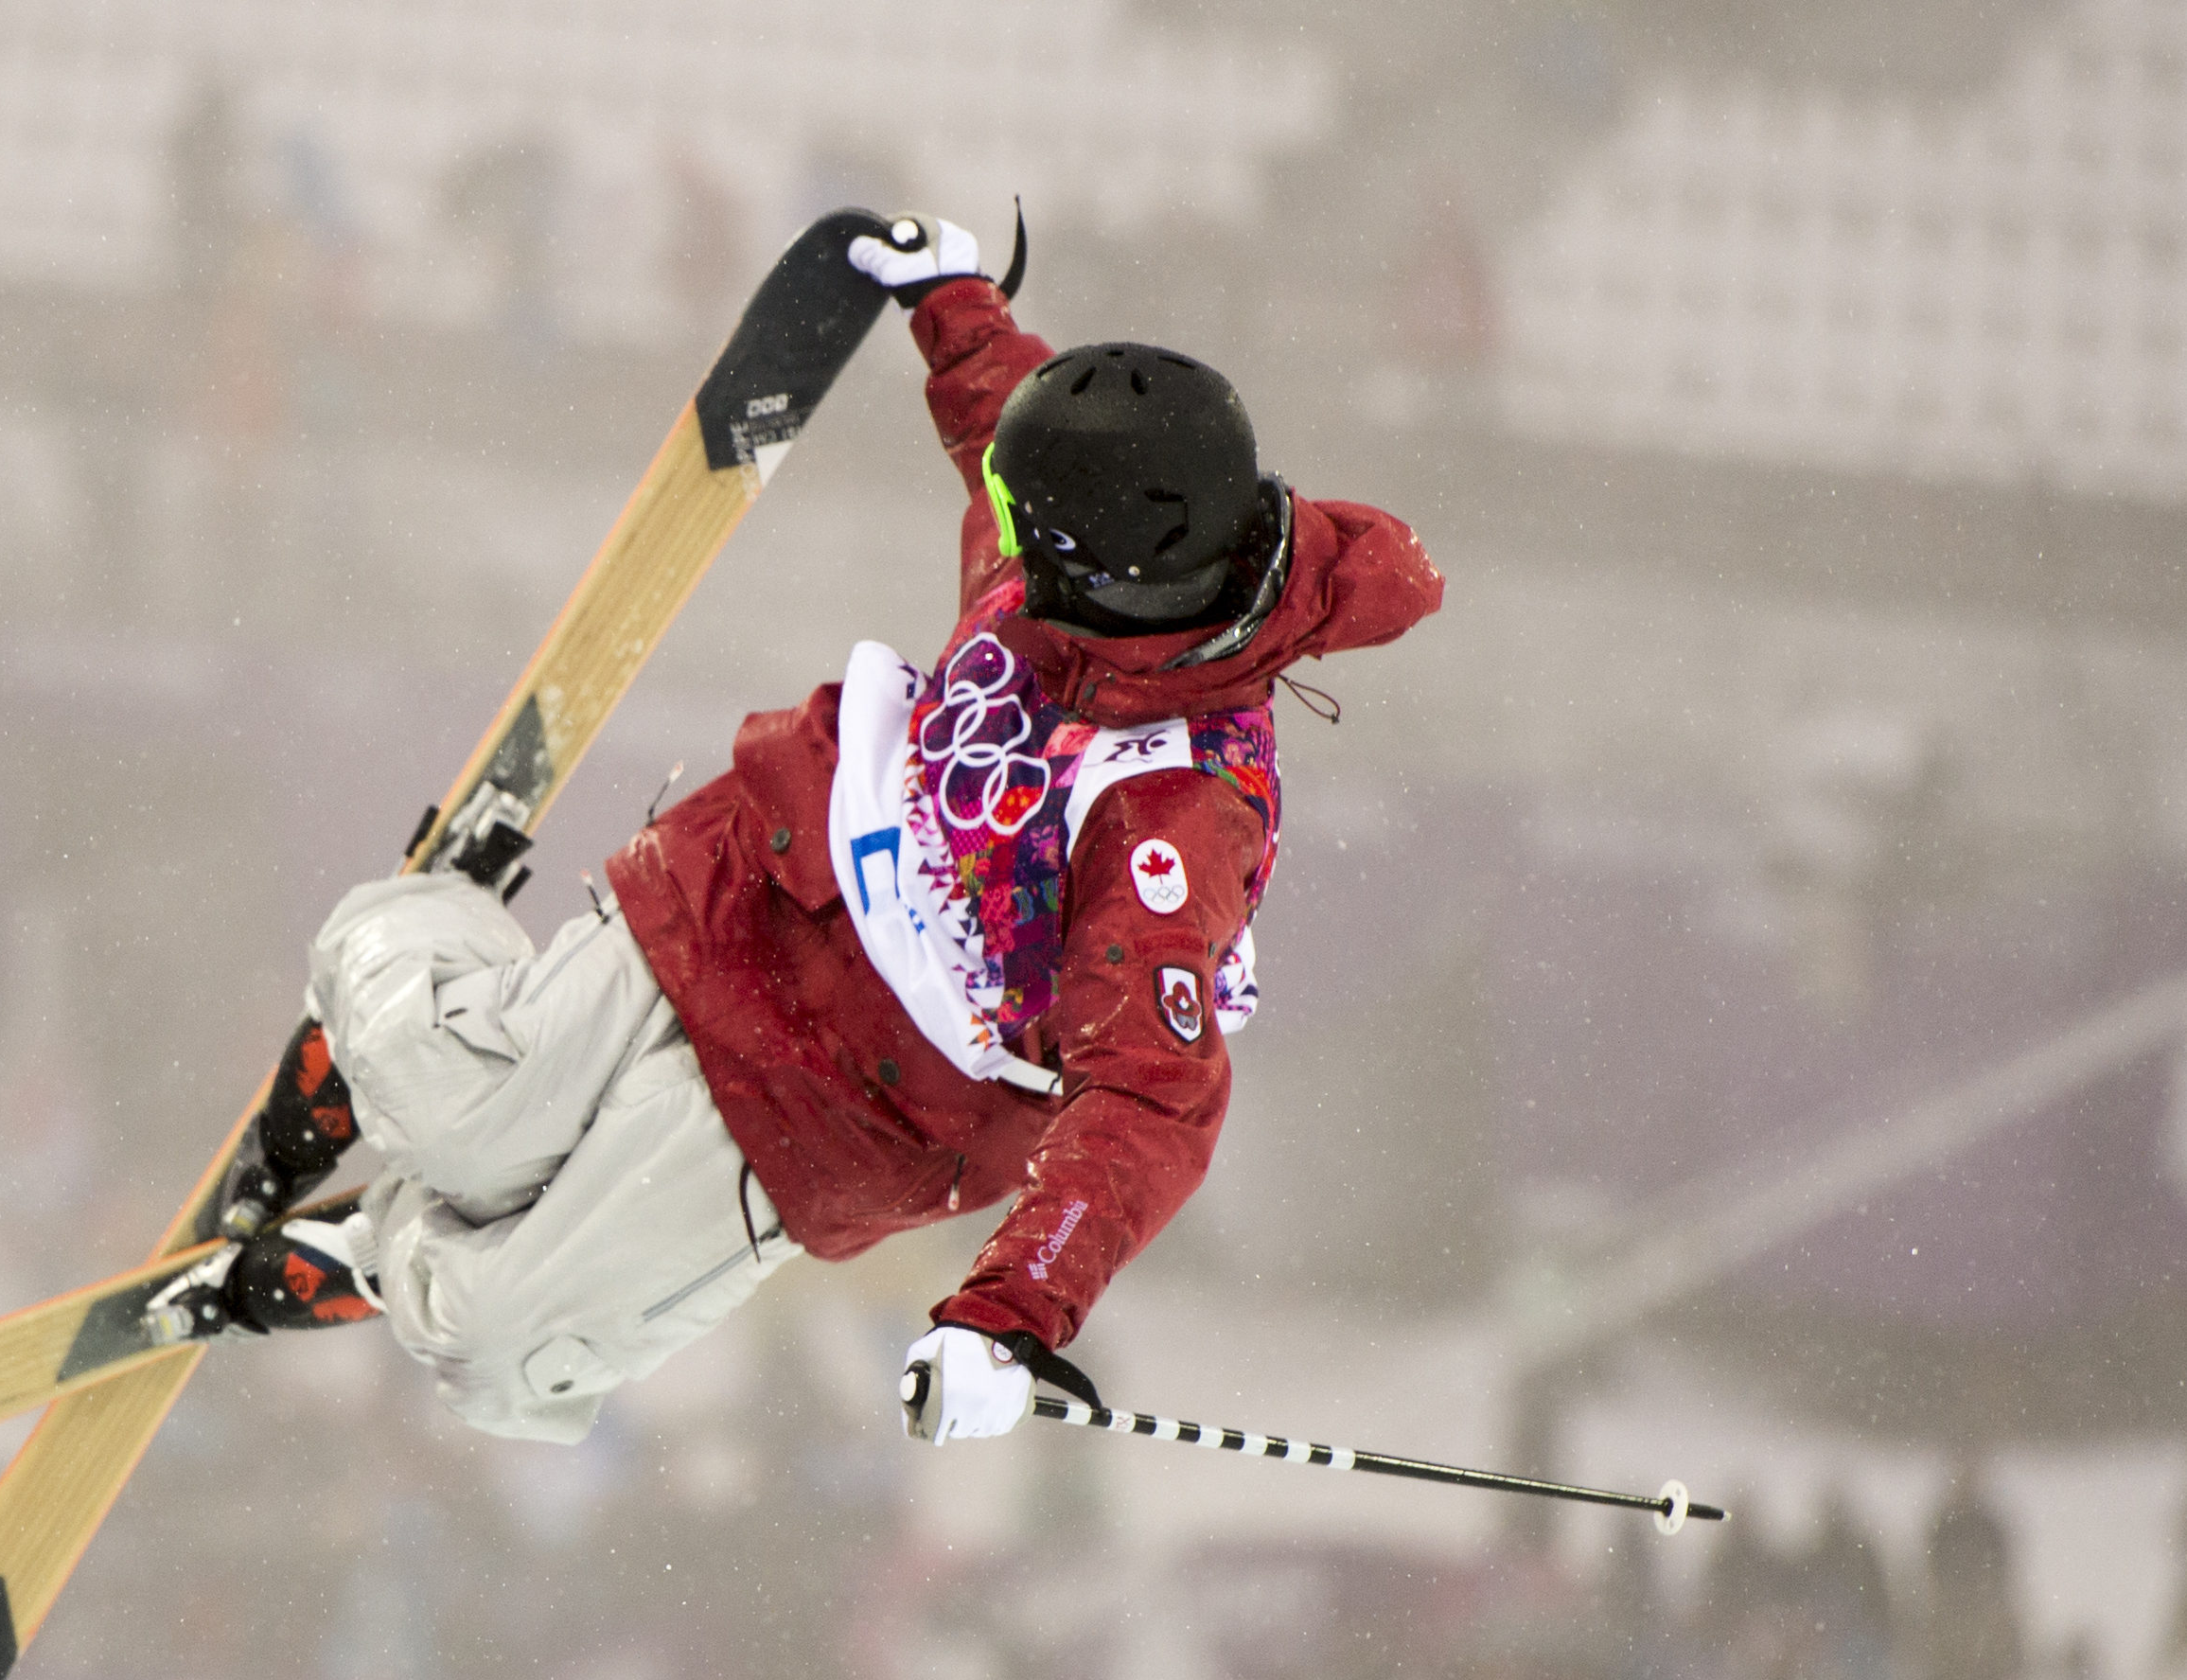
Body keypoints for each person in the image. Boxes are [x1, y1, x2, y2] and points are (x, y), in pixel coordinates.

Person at [153, 214, 1443, 1443]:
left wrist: (1008, 1320)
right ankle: (408, 968)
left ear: (1119, 578)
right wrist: (949, 299)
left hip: (842, 1099)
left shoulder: (1171, 813)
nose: (1009, 559)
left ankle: (389, 1253)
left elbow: (1152, 1100)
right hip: (754, 883)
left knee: (501, 1355)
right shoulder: (1081, 547)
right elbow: (1010, 425)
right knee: (456, 1109)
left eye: (1037, 548)